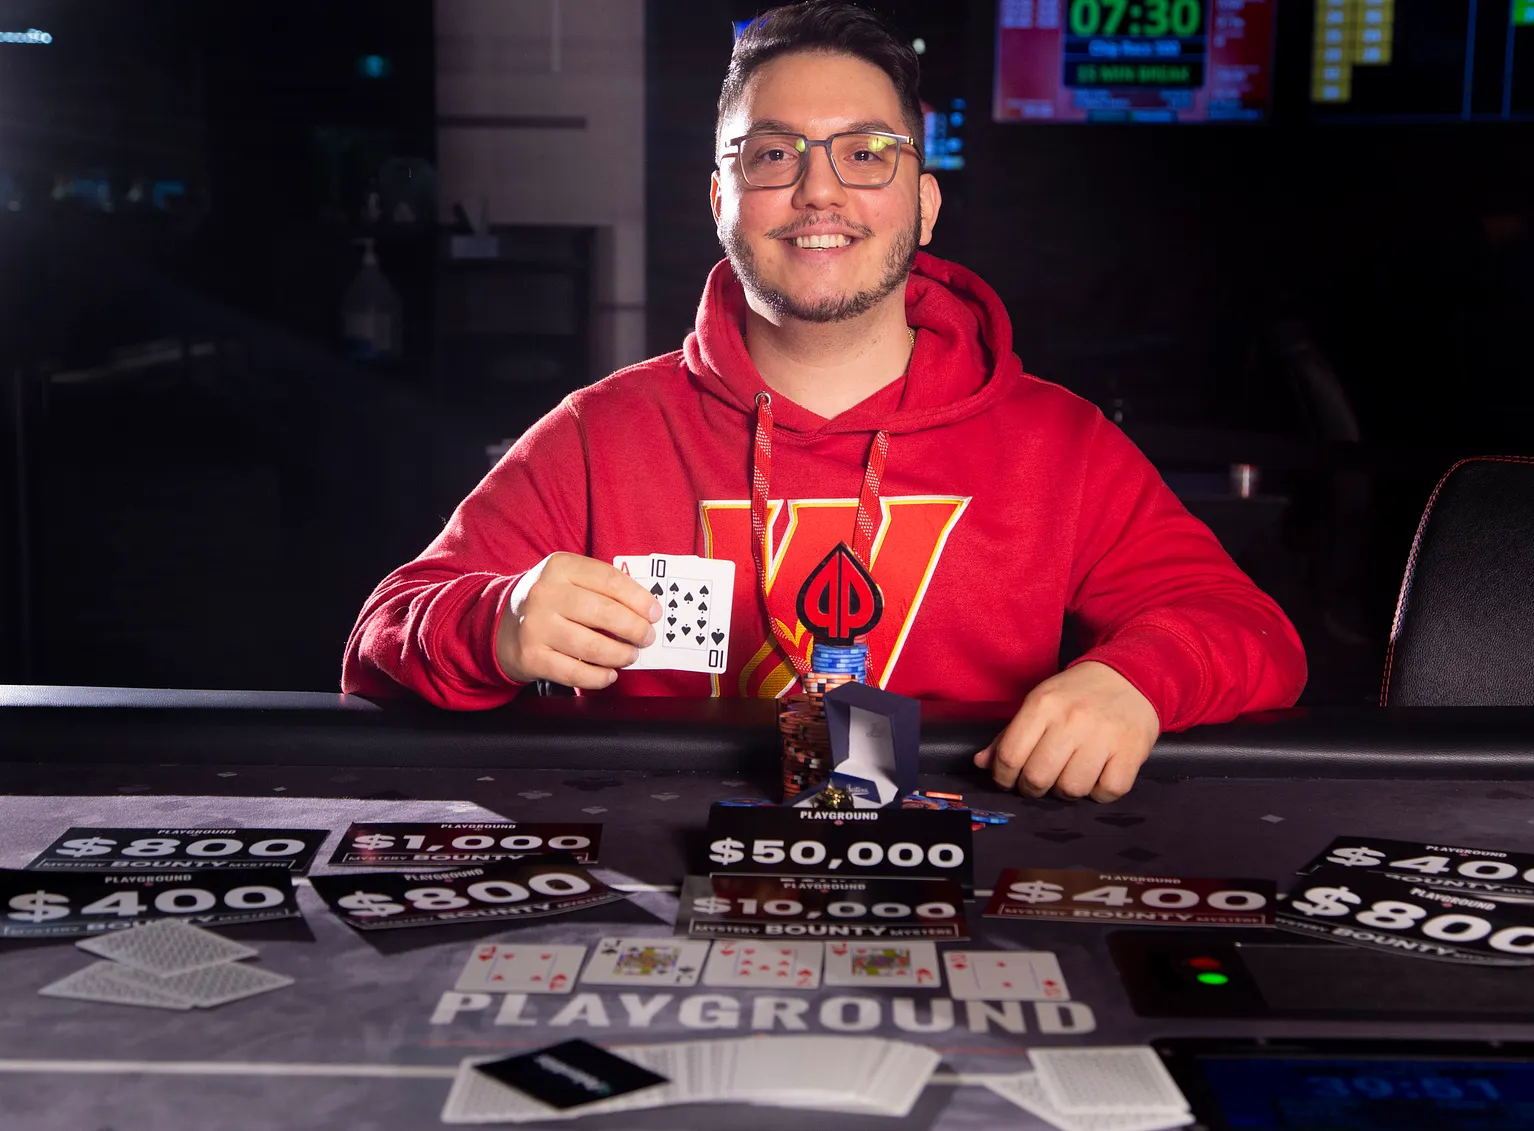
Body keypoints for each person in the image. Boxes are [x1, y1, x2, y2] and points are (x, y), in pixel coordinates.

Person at [343, 0, 1307, 802]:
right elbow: (380, 638)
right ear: (719, 201)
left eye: (867, 152)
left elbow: (1250, 630)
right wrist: (498, 619)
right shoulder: (600, 433)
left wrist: (1134, 678)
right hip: (661, 888)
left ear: (923, 203)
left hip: (974, 875)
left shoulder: (1059, 441)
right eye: (772, 155)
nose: (818, 191)